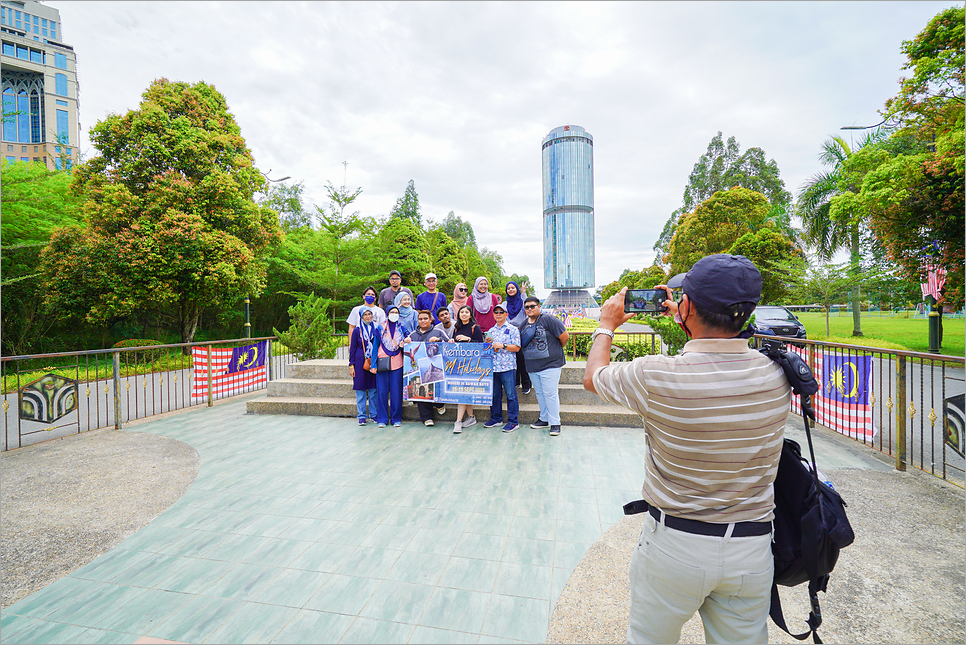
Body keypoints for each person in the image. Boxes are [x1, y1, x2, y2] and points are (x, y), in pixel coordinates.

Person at [582, 254, 790, 645]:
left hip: (674, 545)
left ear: (689, 306)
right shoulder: (777, 374)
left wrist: (606, 326)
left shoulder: (656, 375)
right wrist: (688, 316)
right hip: (752, 547)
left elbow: (593, 377)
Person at [519, 296, 568, 436]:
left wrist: (555, 352)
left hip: (550, 365)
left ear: (539, 306)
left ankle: (555, 422)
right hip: (532, 366)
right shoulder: (523, 325)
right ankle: (544, 418)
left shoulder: (548, 319)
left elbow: (564, 337)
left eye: (532, 306)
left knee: (550, 394)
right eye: (527, 307)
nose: (529, 309)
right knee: (540, 393)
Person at [403, 309, 448, 426]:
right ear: (417, 321)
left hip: (437, 366)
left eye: (425, 318)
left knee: (437, 385)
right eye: (420, 319)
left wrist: (439, 340)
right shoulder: (412, 335)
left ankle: (439, 404)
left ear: (431, 319)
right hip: (418, 369)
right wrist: (405, 342)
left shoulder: (438, 332)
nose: (423, 321)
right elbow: (404, 347)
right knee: (420, 389)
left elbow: (449, 344)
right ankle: (427, 418)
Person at [482, 303, 521, 432]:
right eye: (496, 312)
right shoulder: (491, 331)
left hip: (507, 367)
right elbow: (487, 349)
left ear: (506, 314)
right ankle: (496, 418)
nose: (498, 314)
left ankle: (513, 421)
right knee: (494, 395)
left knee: (511, 395)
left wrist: (503, 345)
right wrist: (487, 344)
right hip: (493, 367)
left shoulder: (513, 329)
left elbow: (516, 347)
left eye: (501, 312)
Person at [369, 305, 405, 428]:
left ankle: (396, 419)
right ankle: (382, 419)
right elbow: (374, 348)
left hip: (397, 364)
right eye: (392, 312)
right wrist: (373, 365)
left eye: (396, 312)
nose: (394, 314)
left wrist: (404, 343)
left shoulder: (402, 328)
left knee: (396, 392)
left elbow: (408, 342)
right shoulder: (380, 328)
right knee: (382, 392)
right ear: (387, 313)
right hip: (382, 362)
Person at [451, 304, 484, 434]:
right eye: (462, 312)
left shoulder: (475, 328)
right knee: (466, 392)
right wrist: (452, 342)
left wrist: (468, 339)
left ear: (470, 315)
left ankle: (458, 421)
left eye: (466, 312)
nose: (464, 314)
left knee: (463, 392)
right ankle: (471, 417)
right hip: (458, 365)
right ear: (458, 314)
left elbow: (481, 346)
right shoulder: (456, 328)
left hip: (472, 366)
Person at [348, 307, 378, 425]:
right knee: (360, 390)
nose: (368, 317)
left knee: (373, 390)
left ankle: (374, 414)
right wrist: (351, 365)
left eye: (369, 314)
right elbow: (353, 348)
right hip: (360, 361)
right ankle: (361, 416)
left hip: (373, 361)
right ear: (361, 316)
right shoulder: (357, 330)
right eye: (365, 314)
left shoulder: (376, 328)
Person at [504, 280, 532, 394]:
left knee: (522, 359)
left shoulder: (521, 302)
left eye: (513, 288)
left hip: (521, 333)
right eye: (508, 288)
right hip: (509, 334)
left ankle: (526, 384)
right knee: (512, 358)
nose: (511, 290)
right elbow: (504, 319)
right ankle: (516, 381)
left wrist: (523, 293)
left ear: (516, 289)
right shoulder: (505, 304)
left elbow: (528, 307)